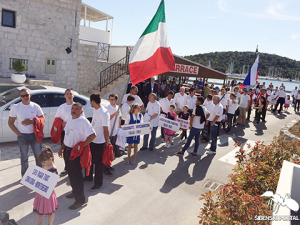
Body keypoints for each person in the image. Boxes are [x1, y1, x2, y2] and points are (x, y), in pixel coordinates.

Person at [58, 103, 96, 209]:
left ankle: (80, 200)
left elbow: (93, 135)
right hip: (67, 151)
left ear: (81, 111)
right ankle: (75, 192)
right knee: (70, 173)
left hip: (76, 153)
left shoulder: (83, 122)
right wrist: (62, 148)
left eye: (77, 109)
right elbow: (67, 135)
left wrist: (81, 146)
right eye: (73, 109)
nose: (74, 110)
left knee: (77, 176)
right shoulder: (70, 119)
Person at [8, 88, 44, 176]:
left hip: (35, 135)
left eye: (26, 95)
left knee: (38, 156)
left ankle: (40, 176)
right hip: (22, 136)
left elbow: (42, 119)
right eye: (22, 96)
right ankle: (25, 176)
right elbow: (10, 123)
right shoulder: (16, 107)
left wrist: (32, 121)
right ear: (20, 97)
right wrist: (19, 134)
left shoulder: (36, 106)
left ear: (30, 95)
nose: (25, 97)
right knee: (24, 157)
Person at [54, 89, 84, 177]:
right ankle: (67, 168)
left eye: (71, 94)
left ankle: (77, 168)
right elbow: (57, 119)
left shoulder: (77, 106)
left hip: (75, 133)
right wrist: (62, 123)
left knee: (75, 150)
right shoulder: (61, 107)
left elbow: (82, 119)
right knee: (66, 151)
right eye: (67, 94)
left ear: (73, 95)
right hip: (65, 133)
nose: (69, 95)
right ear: (65, 96)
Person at [85, 94, 110, 189]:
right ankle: (88, 177)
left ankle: (98, 183)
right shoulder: (95, 110)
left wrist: (107, 141)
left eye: (90, 101)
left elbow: (105, 129)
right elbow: (94, 124)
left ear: (92, 101)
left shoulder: (104, 113)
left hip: (100, 142)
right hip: (92, 140)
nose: (90, 103)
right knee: (90, 160)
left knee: (99, 164)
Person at [33, 147, 58, 225]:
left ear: (50, 159)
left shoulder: (53, 170)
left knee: (50, 212)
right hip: (41, 192)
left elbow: (53, 184)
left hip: (48, 194)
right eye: (42, 163)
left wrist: (42, 191)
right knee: (40, 212)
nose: (42, 164)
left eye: (44, 162)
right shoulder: (44, 166)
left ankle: (50, 224)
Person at [107, 93, 122, 159]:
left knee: (114, 145)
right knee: (109, 147)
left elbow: (118, 118)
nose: (111, 101)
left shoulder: (117, 108)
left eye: (113, 99)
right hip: (110, 130)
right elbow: (107, 118)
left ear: (116, 100)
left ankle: (115, 155)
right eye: (110, 99)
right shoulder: (107, 108)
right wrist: (114, 114)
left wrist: (119, 127)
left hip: (115, 130)